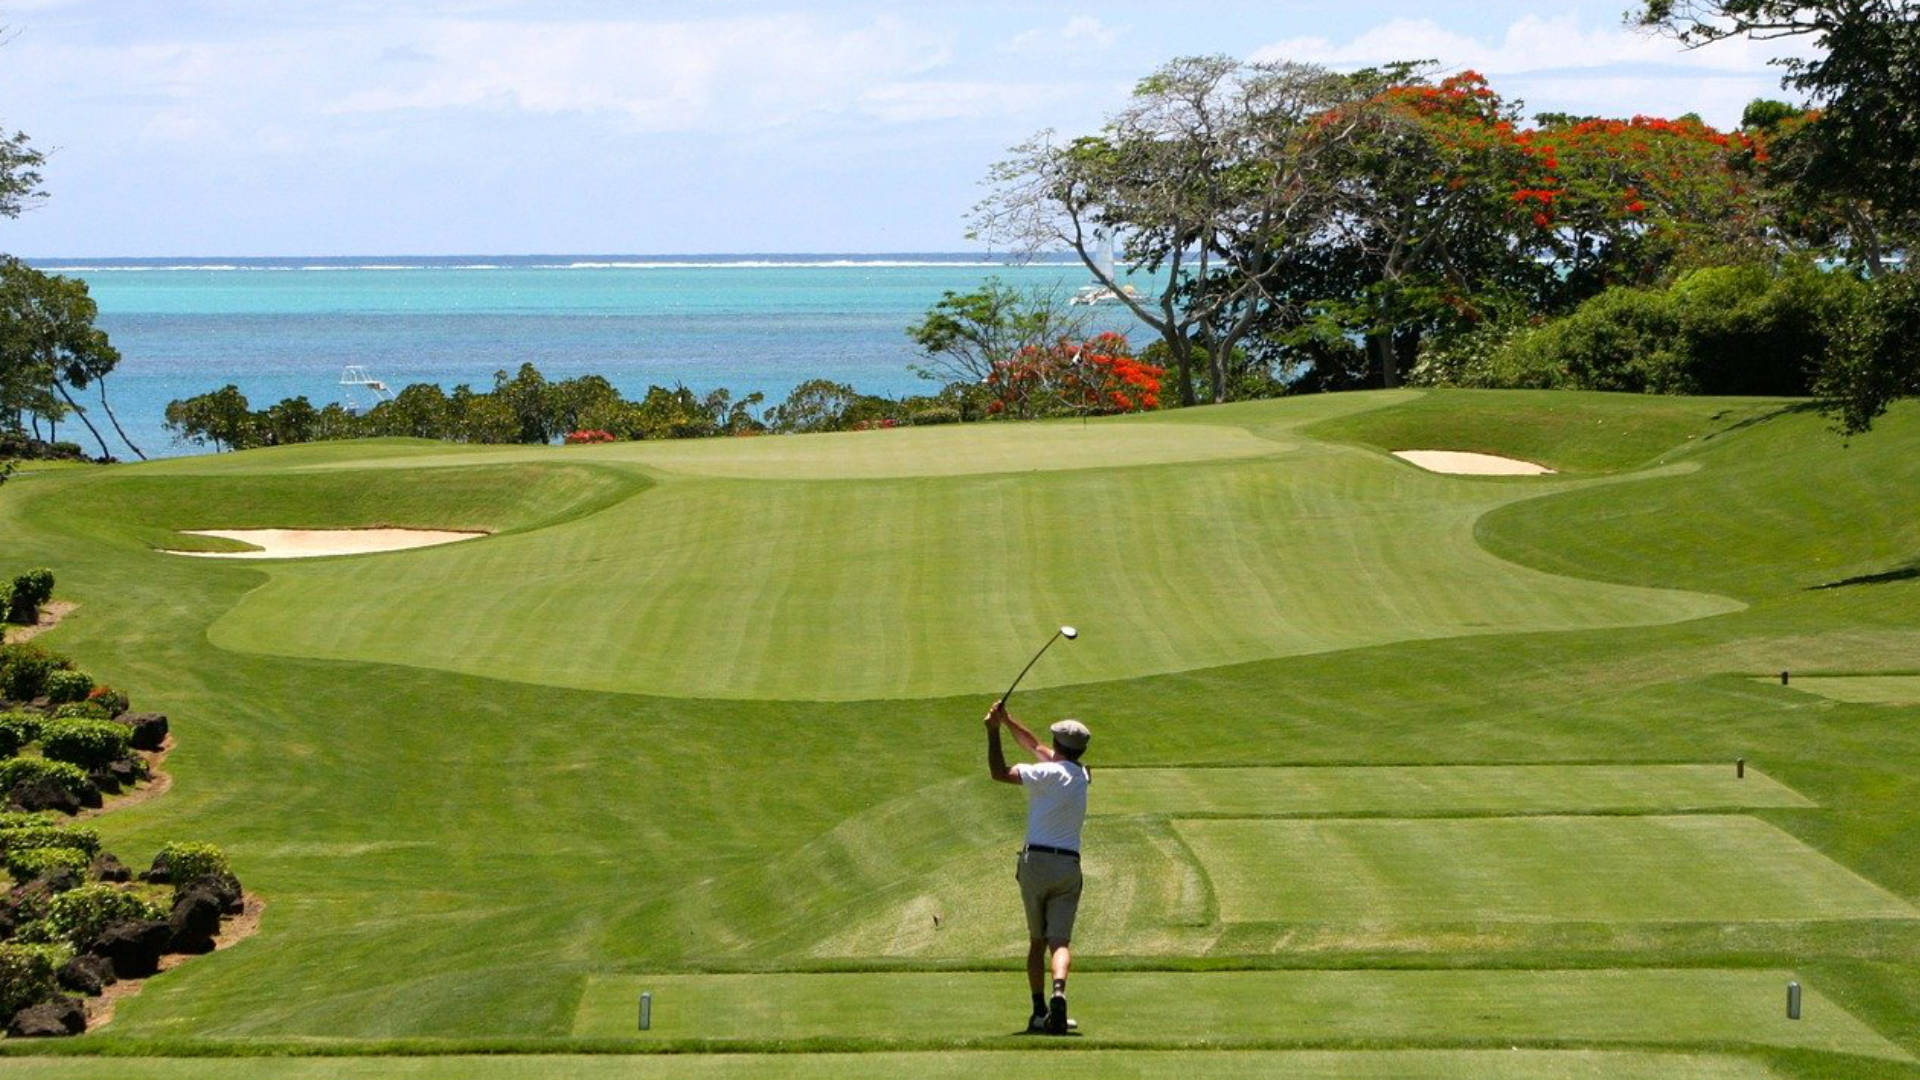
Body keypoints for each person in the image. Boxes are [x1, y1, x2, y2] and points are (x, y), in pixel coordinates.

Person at [984, 698, 1091, 1035]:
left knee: (1036, 942)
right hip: (1067, 866)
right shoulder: (1084, 775)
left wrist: (992, 733)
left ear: (1058, 744)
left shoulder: (1041, 773)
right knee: (1059, 942)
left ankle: (1038, 1011)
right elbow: (1035, 746)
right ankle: (1059, 992)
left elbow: (999, 773)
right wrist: (1008, 720)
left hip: (1035, 863)